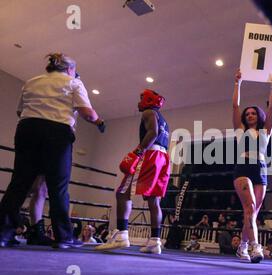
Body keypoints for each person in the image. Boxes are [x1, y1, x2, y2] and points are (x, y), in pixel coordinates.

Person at [0, 53, 105, 248]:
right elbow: (88, 114)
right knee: (58, 186)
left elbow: (19, 111)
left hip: (27, 129)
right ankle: (64, 237)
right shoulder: (73, 82)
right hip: (57, 133)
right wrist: (100, 122)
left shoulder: (31, 82)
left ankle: (2, 233)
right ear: (69, 69)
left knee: (19, 183)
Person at [96, 89, 170, 254]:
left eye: (141, 98)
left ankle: (121, 235)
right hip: (163, 158)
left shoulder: (149, 112)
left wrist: (138, 152)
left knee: (122, 192)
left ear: (148, 100)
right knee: (154, 201)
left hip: (150, 154)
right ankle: (155, 241)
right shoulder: (164, 120)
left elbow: (153, 133)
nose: (139, 102)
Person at [232, 69, 272, 263]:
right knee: (249, 206)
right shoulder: (240, 130)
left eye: (253, 113)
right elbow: (235, 106)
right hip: (243, 168)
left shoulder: (266, 130)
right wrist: (238, 83)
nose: (250, 115)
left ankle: (242, 246)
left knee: (252, 212)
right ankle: (256, 247)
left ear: (258, 116)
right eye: (247, 113)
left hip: (260, 169)